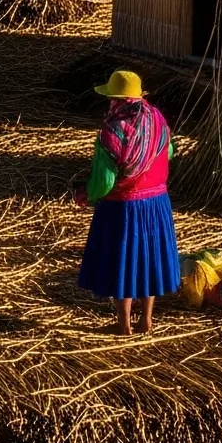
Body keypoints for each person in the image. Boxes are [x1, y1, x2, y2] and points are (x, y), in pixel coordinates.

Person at [76, 69, 180, 334]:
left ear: (115, 100)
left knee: (122, 261)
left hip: (122, 207)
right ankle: (146, 319)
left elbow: (104, 181)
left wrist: (88, 194)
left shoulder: (112, 131)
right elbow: (168, 151)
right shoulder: (158, 120)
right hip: (156, 204)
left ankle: (123, 323)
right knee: (147, 260)